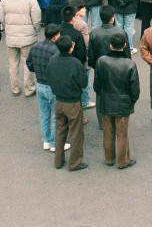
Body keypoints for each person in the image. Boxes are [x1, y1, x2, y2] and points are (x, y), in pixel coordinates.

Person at [95, 32, 140, 169]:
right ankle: (123, 161)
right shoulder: (129, 64)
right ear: (125, 45)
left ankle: (109, 158)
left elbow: (97, 84)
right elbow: (135, 89)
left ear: (110, 46)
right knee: (122, 134)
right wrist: (131, 101)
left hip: (106, 100)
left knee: (108, 132)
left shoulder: (101, 61)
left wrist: (101, 94)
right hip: (123, 103)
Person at [46, 35, 88, 171]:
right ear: (71, 48)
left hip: (59, 100)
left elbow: (49, 77)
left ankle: (58, 160)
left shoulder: (52, 60)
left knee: (60, 131)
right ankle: (75, 163)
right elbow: (83, 83)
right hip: (73, 102)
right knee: (76, 133)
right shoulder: (75, 63)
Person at [0, 0, 41, 97]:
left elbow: (1, 18)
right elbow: (36, 18)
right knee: (27, 63)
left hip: (11, 37)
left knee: (13, 63)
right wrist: (35, 30)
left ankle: (15, 88)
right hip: (27, 37)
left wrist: (7, 28)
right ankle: (29, 89)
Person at [26, 24, 62, 153]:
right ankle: (54, 143)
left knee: (44, 114)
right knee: (55, 116)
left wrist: (36, 71)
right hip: (52, 86)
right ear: (55, 36)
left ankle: (46, 140)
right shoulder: (55, 51)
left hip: (40, 84)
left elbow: (29, 63)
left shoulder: (35, 46)